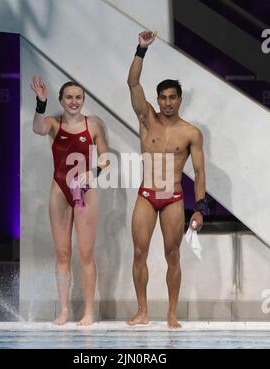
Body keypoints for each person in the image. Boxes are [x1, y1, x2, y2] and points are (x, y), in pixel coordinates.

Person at [127, 32, 206, 328]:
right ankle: (142, 310)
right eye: (163, 97)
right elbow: (133, 83)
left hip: (173, 198)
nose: (168, 102)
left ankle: (171, 313)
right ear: (157, 99)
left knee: (173, 254)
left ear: (180, 99)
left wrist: (200, 207)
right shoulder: (147, 118)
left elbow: (199, 173)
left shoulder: (191, 133)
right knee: (138, 251)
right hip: (146, 195)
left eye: (173, 97)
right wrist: (141, 50)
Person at [31, 77, 109, 325]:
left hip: (85, 191)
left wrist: (93, 172)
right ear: (61, 100)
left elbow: (106, 158)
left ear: (83, 100)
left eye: (78, 97)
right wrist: (40, 103)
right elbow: (37, 128)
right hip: (59, 191)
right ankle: (63, 310)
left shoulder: (94, 124)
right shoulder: (53, 123)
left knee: (86, 254)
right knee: (62, 253)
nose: (74, 102)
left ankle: (88, 311)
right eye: (69, 97)